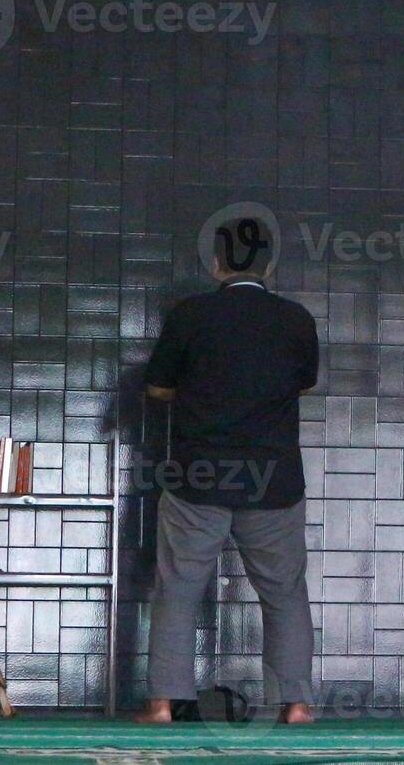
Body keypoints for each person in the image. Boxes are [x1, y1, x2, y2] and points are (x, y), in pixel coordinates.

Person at [133, 216, 320, 725]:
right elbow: (302, 384)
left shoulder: (190, 315)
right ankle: (296, 705)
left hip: (199, 476)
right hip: (273, 480)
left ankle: (163, 705)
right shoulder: (297, 320)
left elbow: (157, 388)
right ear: (269, 264)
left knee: (178, 588)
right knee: (284, 593)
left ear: (216, 262)